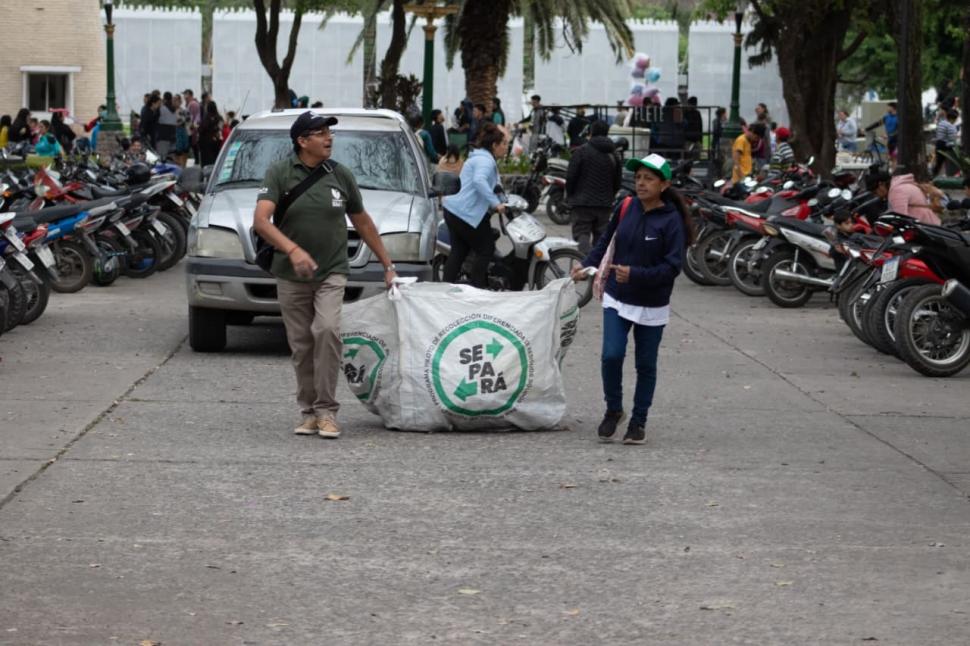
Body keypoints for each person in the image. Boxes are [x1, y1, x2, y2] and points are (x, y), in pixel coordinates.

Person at [253, 111, 398, 439]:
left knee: (328, 330)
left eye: (329, 133)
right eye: (320, 133)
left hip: (332, 270)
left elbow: (363, 222)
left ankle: (328, 410)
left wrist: (388, 265)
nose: (329, 138)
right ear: (302, 142)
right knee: (302, 345)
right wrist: (293, 250)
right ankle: (308, 412)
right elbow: (261, 221)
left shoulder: (340, 175)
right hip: (291, 275)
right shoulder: (280, 173)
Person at [571, 153, 695, 445]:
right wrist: (585, 266)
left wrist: (636, 274)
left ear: (664, 185)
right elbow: (605, 242)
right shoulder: (626, 207)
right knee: (611, 355)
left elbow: (672, 267)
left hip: (652, 304)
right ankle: (613, 410)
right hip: (617, 296)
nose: (641, 183)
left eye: (648, 179)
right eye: (638, 177)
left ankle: (638, 421)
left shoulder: (672, 221)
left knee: (646, 365)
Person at [441, 122, 508, 288]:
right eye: (504, 144)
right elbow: (479, 181)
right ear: (494, 145)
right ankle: (477, 290)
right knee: (486, 249)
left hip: (453, 210)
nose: (506, 148)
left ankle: (443, 290)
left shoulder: (481, 158)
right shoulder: (486, 161)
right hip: (465, 214)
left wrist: (503, 199)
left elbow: (495, 184)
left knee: (459, 252)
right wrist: (496, 204)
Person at [566, 120, 622, 254]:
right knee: (601, 239)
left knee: (582, 234)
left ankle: (586, 264)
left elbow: (571, 177)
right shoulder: (614, 154)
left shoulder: (581, 151)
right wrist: (610, 196)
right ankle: (597, 268)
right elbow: (617, 181)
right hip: (604, 204)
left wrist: (570, 196)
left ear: (591, 132)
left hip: (582, 203)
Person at [931, 108, 959, 177]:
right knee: (952, 163)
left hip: (938, 144)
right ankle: (952, 176)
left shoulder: (941, 123)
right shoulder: (951, 126)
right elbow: (952, 140)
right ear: (954, 118)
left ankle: (933, 176)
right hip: (946, 146)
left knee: (939, 163)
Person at [198, 101, 223, 167]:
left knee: (207, 162)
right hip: (216, 142)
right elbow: (220, 128)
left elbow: (201, 129)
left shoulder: (206, 118)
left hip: (206, 143)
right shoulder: (219, 118)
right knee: (215, 160)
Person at [156, 92, 178, 161]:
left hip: (163, 136)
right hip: (173, 135)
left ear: (164, 99)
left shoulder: (161, 109)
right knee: (172, 156)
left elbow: (156, 119)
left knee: (162, 157)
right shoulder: (174, 109)